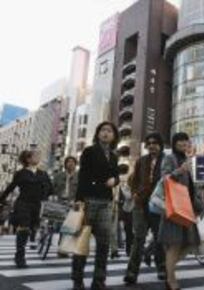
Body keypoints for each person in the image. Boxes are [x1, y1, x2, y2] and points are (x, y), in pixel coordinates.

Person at [71, 121, 120, 290]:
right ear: (98, 133)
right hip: (89, 200)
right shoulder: (89, 151)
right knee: (82, 241)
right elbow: (83, 176)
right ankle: (77, 279)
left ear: (114, 136)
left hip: (106, 203)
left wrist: (115, 180)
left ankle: (99, 280)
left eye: (110, 131)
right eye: (103, 130)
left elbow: (116, 176)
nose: (106, 133)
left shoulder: (114, 156)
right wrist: (79, 200)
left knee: (104, 243)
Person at [158, 132, 203, 290]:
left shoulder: (186, 159)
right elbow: (164, 179)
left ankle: (166, 265)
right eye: (180, 141)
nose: (184, 144)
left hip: (186, 207)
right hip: (175, 206)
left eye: (186, 141)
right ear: (175, 143)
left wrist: (198, 204)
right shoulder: (170, 158)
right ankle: (171, 280)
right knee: (175, 245)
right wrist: (179, 171)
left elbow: (191, 186)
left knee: (190, 243)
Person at [123, 132, 167, 285]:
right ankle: (131, 272)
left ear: (160, 145)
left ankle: (162, 267)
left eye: (155, 142)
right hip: (141, 204)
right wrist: (135, 193)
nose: (152, 145)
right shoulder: (141, 161)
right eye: (149, 143)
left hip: (158, 205)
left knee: (159, 238)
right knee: (139, 239)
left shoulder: (166, 160)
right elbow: (134, 180)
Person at [0, 150, 54, 268]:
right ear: (28, 159)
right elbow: (11, 187)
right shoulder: (21, 173)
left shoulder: (43, 173)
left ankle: (28, 246)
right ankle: (20, 257)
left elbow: (51, 189)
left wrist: (47, 196)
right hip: (23, 203)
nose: (38, 157)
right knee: (24, 228)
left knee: (32, 227)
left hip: (38, 205)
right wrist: (2, 199)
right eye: (35, 155)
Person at [53, 156, 79, 257]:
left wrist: (77, 201)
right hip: (60, 201)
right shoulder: (59, 175)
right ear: (65, 164)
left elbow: (81, 190)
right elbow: (53, 187)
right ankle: (62, 247)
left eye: (73, 162)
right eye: (68, 162)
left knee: (69, 226)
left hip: (73, 203)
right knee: (61, 225)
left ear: (75, 164)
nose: (70, 164)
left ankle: (63, 248)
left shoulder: (79, 176)